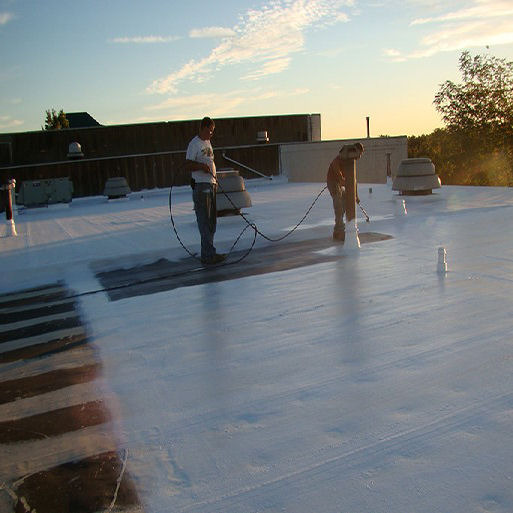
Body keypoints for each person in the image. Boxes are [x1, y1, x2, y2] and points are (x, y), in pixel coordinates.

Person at [185, 117, 226, 265]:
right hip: (201, 186)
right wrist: (201, 167)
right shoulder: (194, 144)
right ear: (202, 128)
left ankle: (209, 253)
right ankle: (208, 255)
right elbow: (187, 165)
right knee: (205, 220)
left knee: (211, 222)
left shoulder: (207, 143)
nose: (211, 134)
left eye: (212, 131)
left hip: (211, 184)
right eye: (209, 130)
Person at [326, 143, 364, 241]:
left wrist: (356, 195)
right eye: (359, 153)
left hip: (339, 183)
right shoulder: (339, 159)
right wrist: (342, 179)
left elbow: (353, 180)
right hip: (333, 182)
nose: (360, 156)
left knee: (345, 201)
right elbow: (336, 169)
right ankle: (339, 230)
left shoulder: (350, 162)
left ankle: (340, 228)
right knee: (338, 203)